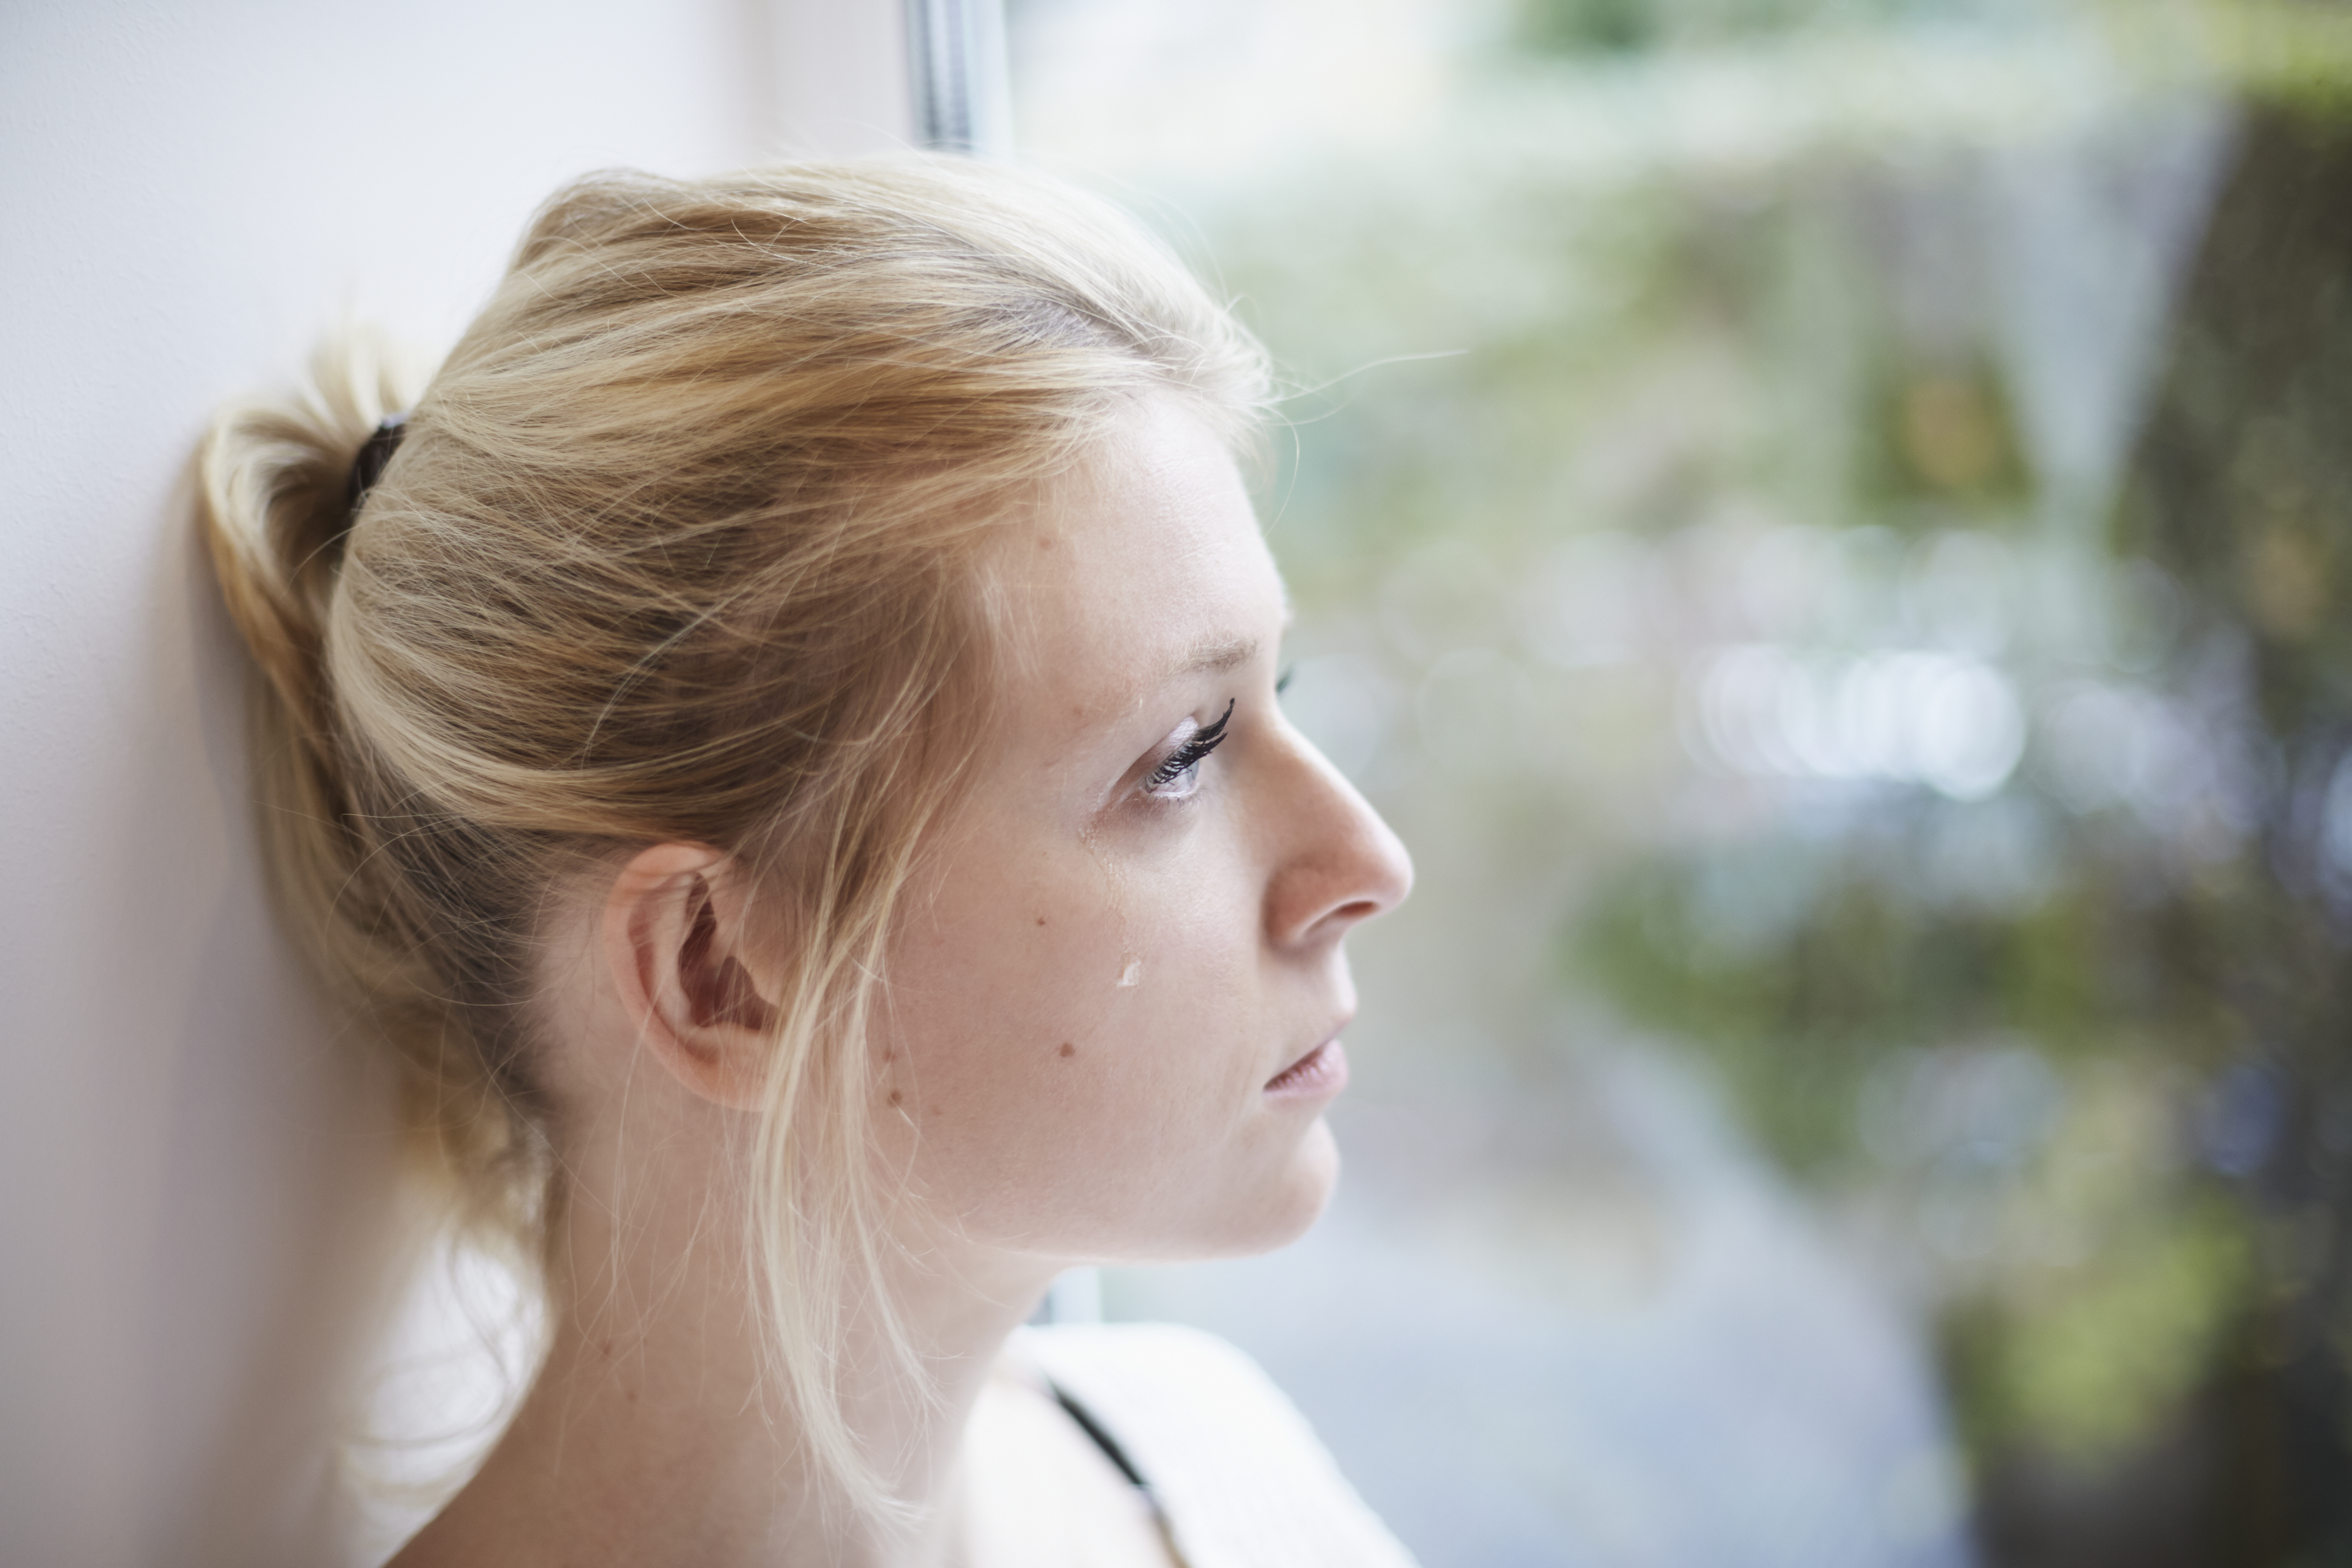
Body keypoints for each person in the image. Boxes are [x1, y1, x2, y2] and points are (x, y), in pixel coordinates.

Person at [198, 157, 1414, 1568]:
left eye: (1283, 690)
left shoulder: (1208, 1453)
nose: (1366, 860)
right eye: (1184, 755)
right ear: (722, 976)